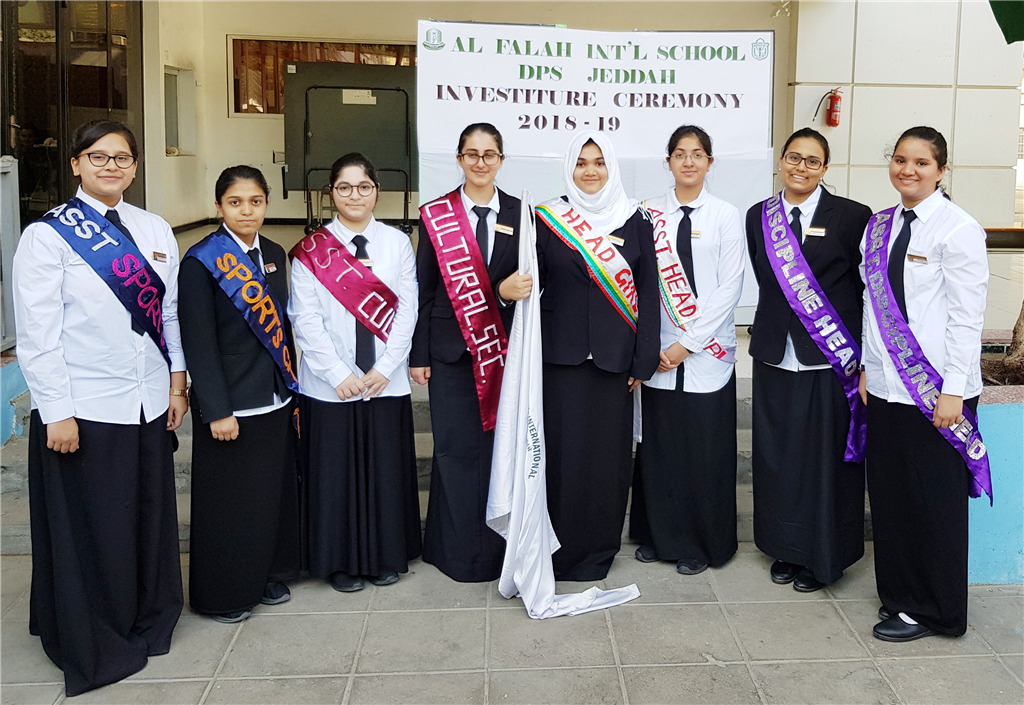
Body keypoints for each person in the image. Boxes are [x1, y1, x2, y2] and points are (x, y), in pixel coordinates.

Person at [12, 120, 186, 695]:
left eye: (122, 157)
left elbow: (169, 314)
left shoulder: (155, 228)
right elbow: (37, 335)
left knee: (144, 518)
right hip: (85, 407)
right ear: (77, 164)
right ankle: (96, 630)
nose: (111, 166)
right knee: (97, 526)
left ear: (135, 166)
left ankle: (147, 616)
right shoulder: (48, 236)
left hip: (147, 400)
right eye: (98, 156)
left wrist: (177, 383)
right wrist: (55, 410)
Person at [859, 126, 990, 642]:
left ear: (940, 170)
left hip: (937, 391)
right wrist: (868, 366)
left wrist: (954, 389)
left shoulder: (958, 229)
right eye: (900, 160)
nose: (907, 170)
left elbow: (966, 318)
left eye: (920, 163)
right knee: (892, 498)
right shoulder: (879, 226)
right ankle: (901, 598)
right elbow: (871, 306)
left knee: (934, 503)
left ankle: (938, 612)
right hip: (887, 387)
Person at [745, 127, 872, 593]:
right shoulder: (759, 215)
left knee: (827, 461)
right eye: (794, 158)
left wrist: (866, 358)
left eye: (812, 161)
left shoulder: (854, 216)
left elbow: (865, 288)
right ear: (781, 161)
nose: (801, 167)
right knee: (777, 457)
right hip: (775, 354)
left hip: (831, 358)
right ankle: (785, 547)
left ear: (825, 168)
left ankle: (826, 555)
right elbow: (766, 277)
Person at [288, 153, 420, 592]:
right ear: (331, 193)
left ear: (376, 191)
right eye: (344, 187)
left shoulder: (397, 243)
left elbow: (408, 311)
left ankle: (385, 555)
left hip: (385, 381)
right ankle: (338, 562)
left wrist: (385, 367)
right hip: (330, 386)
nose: (355, 195)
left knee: (385, 471)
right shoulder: (312, 249)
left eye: (364, 186)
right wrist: (338, 373)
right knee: (335, 475)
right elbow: (304, 319)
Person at [535, 131, 660, 581]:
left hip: (615, 362)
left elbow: (649, 292)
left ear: (612, 168)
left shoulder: (635, 219)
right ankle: (556, 549)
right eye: (581, 162)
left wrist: (643, 360)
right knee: (562, 457)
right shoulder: (546, 219)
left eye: (599, 162)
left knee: (607, 461)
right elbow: (531, 285)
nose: (590, 171)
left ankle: (597, 551)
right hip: (560, 359)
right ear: (569, 168)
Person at [178, 166, 301, 623]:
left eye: (255, 201)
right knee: (229, 504)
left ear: (266, 204)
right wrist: (216, 409)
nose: (246, 211)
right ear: (219, 207)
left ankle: (266, 575)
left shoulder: (274, 253)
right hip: (231, 404)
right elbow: (198, 341)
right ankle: (224, 593)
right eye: (235, 202)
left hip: (274, 396)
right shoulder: (200, 261)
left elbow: (281, 326)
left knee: (267, 496)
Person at [412, 123, 532, 582]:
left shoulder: (524, 214)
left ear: (501, 159)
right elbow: (424, 289)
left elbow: (528, 286)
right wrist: (419, 354)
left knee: (498, 451)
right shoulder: (436, 215)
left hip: (502, 353)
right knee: (454, 450)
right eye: (472, 154)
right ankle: (455, 552)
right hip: (450, 353)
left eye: (489, 154)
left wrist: (504, 296)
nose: (481, 162)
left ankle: (498, 548)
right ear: (459, 159)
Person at [632, 125, 745, 575]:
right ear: (669, 161)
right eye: (680, 154)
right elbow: (637, 282)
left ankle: (702, 543)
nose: (688, 162)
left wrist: (687, 344)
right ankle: (659, 537)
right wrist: (653, 345)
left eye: (697, 154)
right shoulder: (647, 213)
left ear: (709, 162)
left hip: (706, 351)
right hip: (658, 352)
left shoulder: (725, 215)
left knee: (703, 450)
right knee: (660, 449)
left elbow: (729, 287)